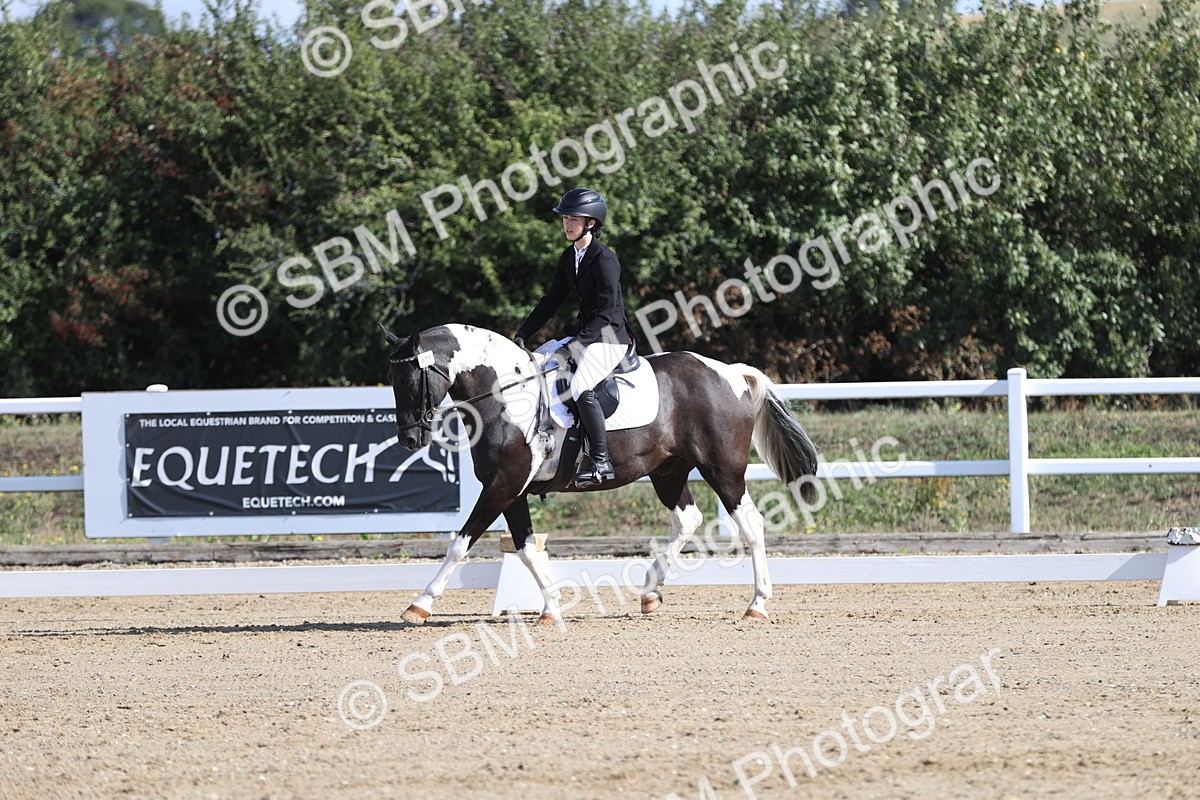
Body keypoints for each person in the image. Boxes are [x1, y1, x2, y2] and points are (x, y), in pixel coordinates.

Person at [514, 188, 633, 487]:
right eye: (565, 218)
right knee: (540, 363)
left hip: (609, 338)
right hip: (586, 335)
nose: (567, 224)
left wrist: (577, 346)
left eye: (573, 219)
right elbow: (551, 300)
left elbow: (606, 313)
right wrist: (523, 334)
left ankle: (601, 460)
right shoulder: (570, 257)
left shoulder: (605, 259)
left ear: (590, 223)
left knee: (580, 386)